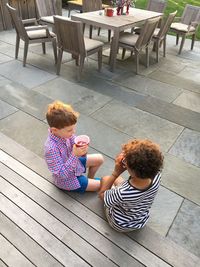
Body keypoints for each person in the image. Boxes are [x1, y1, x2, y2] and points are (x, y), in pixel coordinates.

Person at [98, 139, 164, 232]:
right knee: (119, 183)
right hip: (140, 220)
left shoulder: (122, 192)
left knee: (105, 179)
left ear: (132, 171)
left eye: (125, 160)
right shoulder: (157, 176)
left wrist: (115, 173)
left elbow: (102, 195)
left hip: (119, 223)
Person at [44, 100, 104, 193]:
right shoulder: (51, 148)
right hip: (67, 181)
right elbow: (62, 174)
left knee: (99, 158)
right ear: (54, 130)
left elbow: (77, 150)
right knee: (104, 184)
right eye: (69, 130)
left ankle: (89, 180)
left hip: (75, 165)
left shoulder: (66, 135)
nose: (73, 132)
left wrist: (82, 150)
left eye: (74, 128)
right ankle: (88, 184)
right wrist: (75, 155)